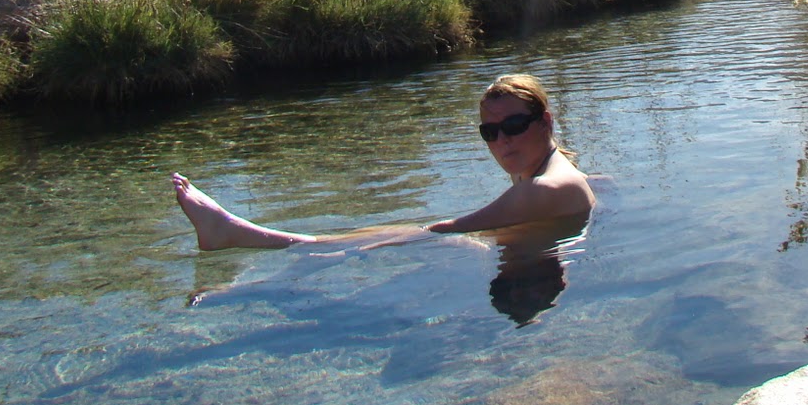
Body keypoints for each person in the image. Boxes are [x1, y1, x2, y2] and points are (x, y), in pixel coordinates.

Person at [172, 73, 596, 252]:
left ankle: (274, 240)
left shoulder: (539, 189)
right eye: (490, 132)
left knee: (425, 241)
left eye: (514, 126)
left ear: (544, 121)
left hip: (528, 278)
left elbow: (442, 229)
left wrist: (358, 245)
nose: (501, 141)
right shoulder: (551, 174)